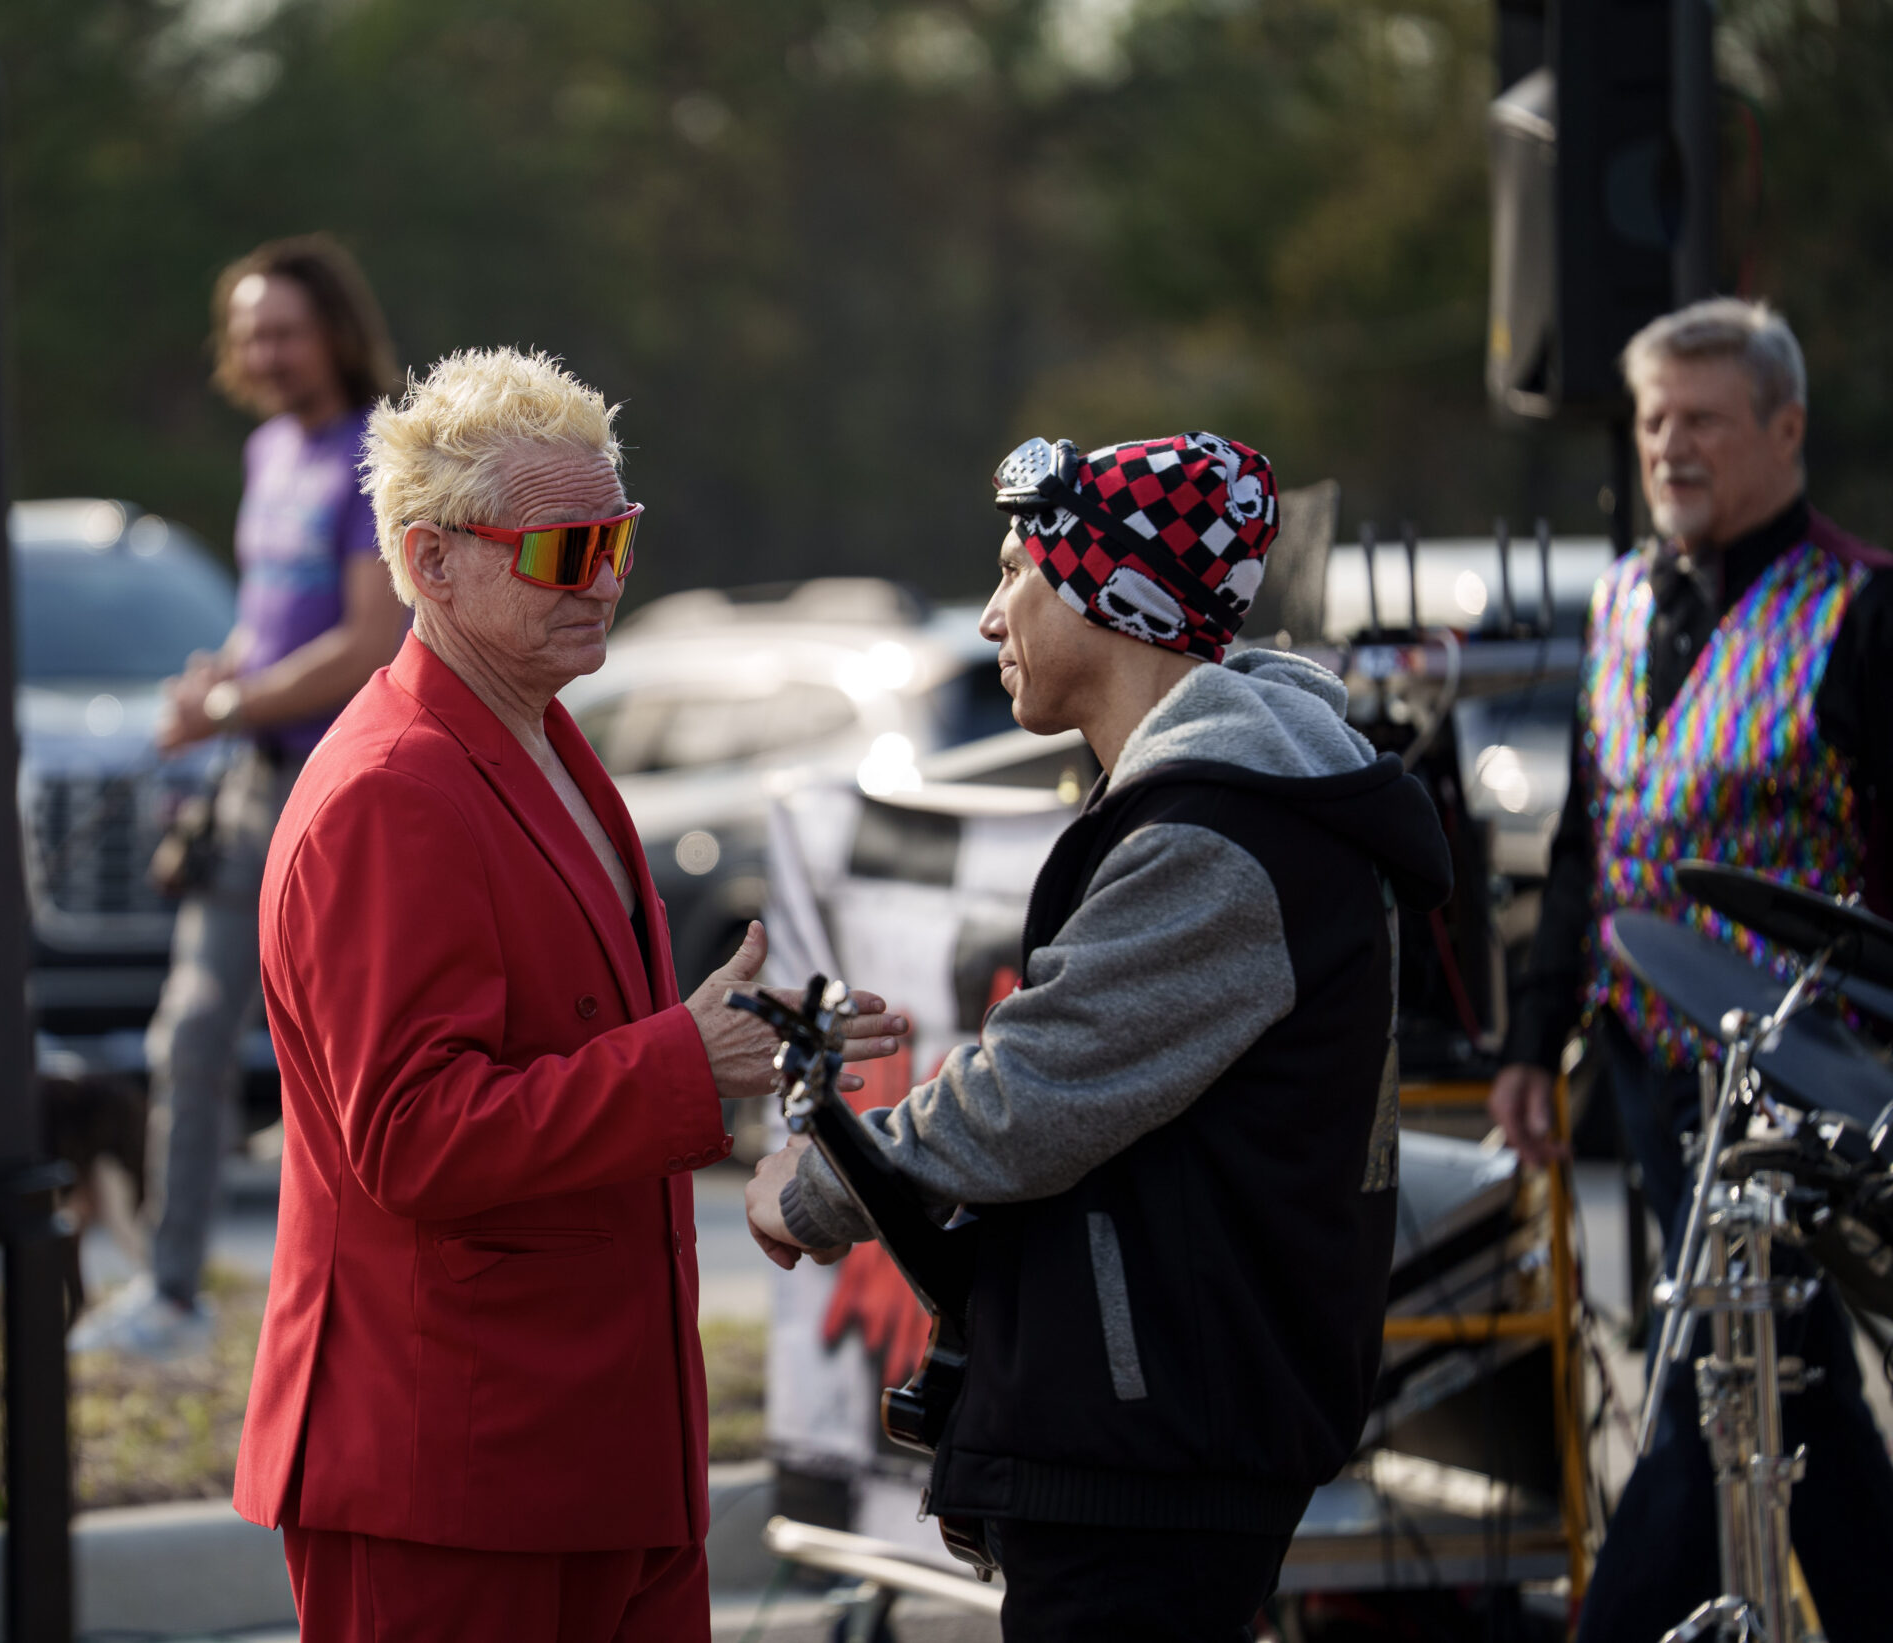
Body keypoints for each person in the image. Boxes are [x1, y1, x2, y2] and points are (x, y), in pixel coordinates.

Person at [232, 348, 906, 1642]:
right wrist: (682, 1063)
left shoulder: (533, 731)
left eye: (618, 539)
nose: (602, 578)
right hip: (454, 1475)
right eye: (563, 549)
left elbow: (573, 1044)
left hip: (596, 1454)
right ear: (430, 562)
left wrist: (747, 1045)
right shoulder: (390, 789)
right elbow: (413, 1137)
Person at [746, 431, 1452, 1643]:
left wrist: (816, 1185)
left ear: (1105, 595)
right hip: (1155, 1434)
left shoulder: (1220, 839)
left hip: (1155, 1448)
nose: (989, 618)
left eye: (1014, 572)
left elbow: (1032, 1092)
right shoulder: (1222, 807)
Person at [1485, 298, 1893, 1642]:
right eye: (1656, 418)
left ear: (1785, 428)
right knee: (1786, 1392)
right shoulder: (1619, 598)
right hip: (1649, 1066)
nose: (1670, 445)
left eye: (1703, 419)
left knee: (1720, 1372)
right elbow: (1589, 835)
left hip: (1801, 1086)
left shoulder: (1860, 608)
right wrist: (1531, 1039)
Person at [71, 236, 412, 1357]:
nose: (264, 353)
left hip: (346, 785)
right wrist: (218, 680)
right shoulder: (270, 450)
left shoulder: (376, 451)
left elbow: (370, 640)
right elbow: (273, 624)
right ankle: (172, 1292)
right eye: (249, 333)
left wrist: (230, 704)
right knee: (194, 1030)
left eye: (285, 332)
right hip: (250, 781)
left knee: (361, 1046)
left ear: (336, 334)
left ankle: (373, 1299)